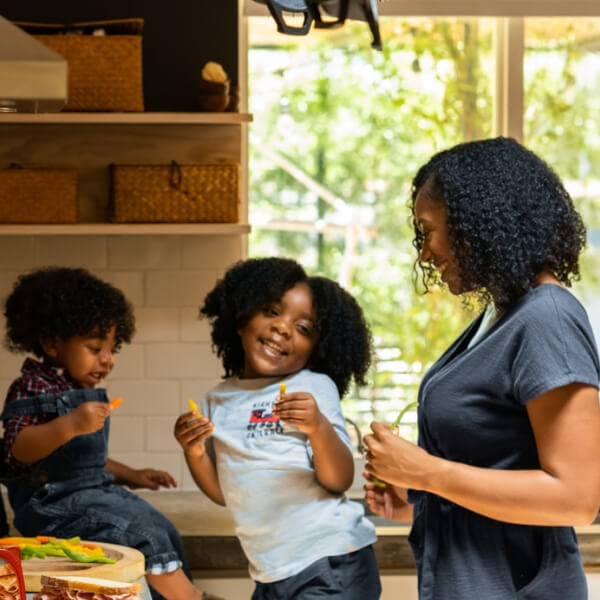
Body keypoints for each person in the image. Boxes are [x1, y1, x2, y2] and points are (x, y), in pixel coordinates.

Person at [363, 136, 600, 600]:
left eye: (427, 230)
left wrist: (428, 474)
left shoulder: (546, 317)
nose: (425, 252)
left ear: (477, 223)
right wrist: (421, 501)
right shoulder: (502, 313)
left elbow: (576, 498)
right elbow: (502, 469)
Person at [0, 267, 222, 600]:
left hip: (92, 492)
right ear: (51, 343)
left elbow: (82, 461)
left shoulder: (76, 388)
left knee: (163, 528)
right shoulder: (32, 387)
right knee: (143, 534)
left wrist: (131, 474)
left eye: (112, 349)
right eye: (94, 348)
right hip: (50, 505)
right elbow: (18, 449)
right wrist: (69, 424)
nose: (108, 361)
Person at [174, 257, 381, 599]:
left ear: (317, 351)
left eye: (303, 328)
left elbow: (340, 480)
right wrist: (194, 452)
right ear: (240, 318)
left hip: (331, 561)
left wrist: (317, 427)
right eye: (271, 311)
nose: (283, 328)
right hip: (270, 573)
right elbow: (226, 493)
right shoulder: (217, 401)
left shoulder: (313, 387)